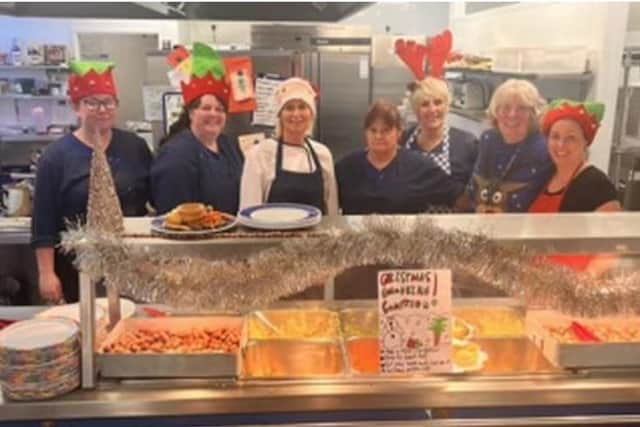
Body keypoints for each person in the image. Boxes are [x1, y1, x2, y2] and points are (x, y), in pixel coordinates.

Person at [31, 61, 152, 303]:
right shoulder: (55, 157)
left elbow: (155, 198)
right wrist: (46, 273)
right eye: (92, 102)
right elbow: (43, 221)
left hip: (131, 265)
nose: (102, 109)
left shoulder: (135, 146)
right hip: (77, 269)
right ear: (76, 107)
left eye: (108, 102)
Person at [529, 99, 621, 275]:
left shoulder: (597, 184)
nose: (561, 145)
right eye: (555, 137)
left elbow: (610, 249)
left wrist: (583, 285)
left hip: (571, 286)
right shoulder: (544, 176)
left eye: (571, 138)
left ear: (585, 142)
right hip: (536, 281)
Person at [151, 42, 243, 215]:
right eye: (206, 108)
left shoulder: (228, 144)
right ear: (191, 113)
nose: (214, 114)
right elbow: (173, 215)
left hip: (229, 233)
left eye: (220, 109)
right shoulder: (176, 154)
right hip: (193, 238)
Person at [336, 100, 458, 214]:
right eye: (373, 130)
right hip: (353, 235)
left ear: (399, 133)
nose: (378, 136)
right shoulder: (346, 167)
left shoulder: (420, 166)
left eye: (386, 131)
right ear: (365, 132)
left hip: (406, 235)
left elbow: (455, 197)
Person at [239, 77, 338, 215]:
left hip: (317, 235)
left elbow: (331, 209)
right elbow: (248, 212)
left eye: (302, 107)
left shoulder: (322, 154)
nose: (296, 114)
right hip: (272, 235)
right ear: (279, 115)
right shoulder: (259, 154)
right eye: (289, 108)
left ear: (311, 114)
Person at [468, 79, 553, 213]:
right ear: (496, 111)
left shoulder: (543, 148)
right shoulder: (488, 139)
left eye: (522, 108)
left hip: (525, 227)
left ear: (533, 113)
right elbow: (474, 188)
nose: (512, 115)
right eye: (506, 107)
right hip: (481, 222)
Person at [401, 77, 478, 212]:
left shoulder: (467, 143)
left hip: (453, 227)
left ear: (447, 106)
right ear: (415, 110)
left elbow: (475, 194)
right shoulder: (403, 140)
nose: (432, 109)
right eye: (425, 104)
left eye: (438, 102)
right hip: (409, 224)